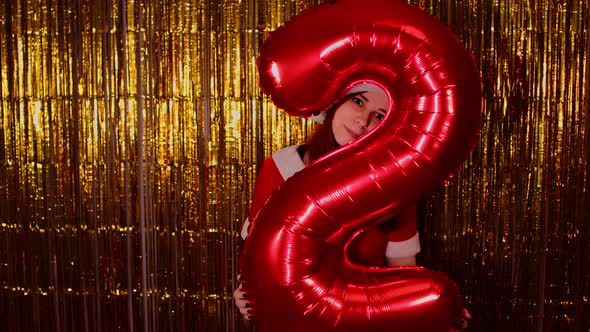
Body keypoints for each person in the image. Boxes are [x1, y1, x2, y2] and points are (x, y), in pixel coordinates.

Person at [233, 82, 423, 319]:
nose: (362, 121)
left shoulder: (396, 185)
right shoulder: (281, 167)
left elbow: (403, 273)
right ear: (335, 102)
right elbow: (256, 258)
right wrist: (246, 295)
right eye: (358, 101)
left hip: (365, 320)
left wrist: (430, 313)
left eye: (379, 115)